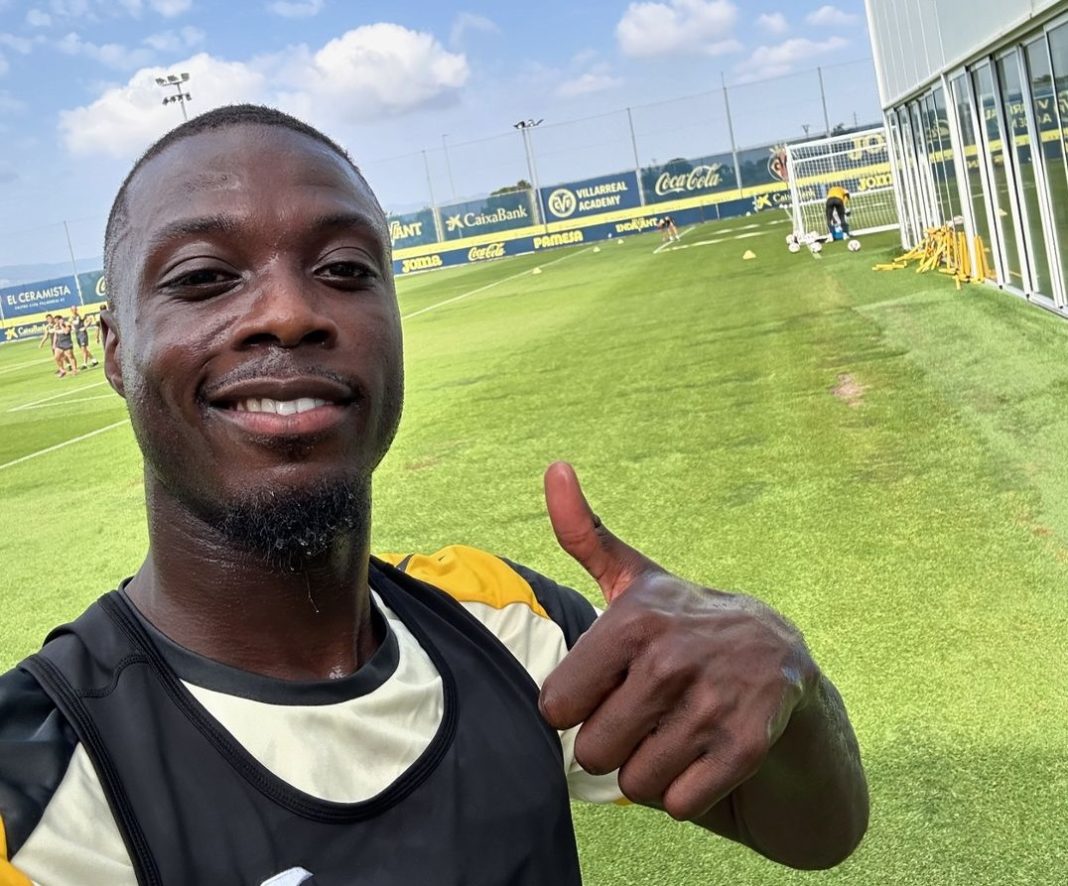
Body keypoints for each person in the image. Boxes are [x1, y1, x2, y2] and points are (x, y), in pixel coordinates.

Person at [0, 106, 868, 885]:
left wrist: (788, 681)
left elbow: (812, 831)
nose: (291, 311)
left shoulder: (503, 621)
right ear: (113, 350)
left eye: (344, 267)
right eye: (202, 277)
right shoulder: (38, 785)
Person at [68, 305, 99, 369]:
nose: (74, 310)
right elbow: (70, 324)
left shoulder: (80, 315)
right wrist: (72, 328)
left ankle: (85, 364)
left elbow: (90, 320)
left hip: (82, 333)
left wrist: (85, 327)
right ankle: (94, 360)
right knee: (83, 349)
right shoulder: (71, 318)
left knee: (83, 348)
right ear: (71, 310)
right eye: (73, 309)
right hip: (77, 334)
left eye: (75, 309)